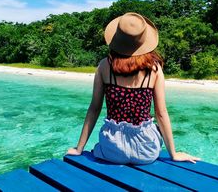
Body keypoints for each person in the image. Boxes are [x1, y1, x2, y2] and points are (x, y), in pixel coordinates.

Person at [66, 12, 200, 164]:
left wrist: (79, 148)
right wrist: (174, 154)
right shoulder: (154, 69)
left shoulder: (104, 66)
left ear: (117, 38)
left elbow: (94, 109)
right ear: (143, 41)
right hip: (146, 151)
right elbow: (161, 113)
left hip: (112, 149)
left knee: (98, 146)